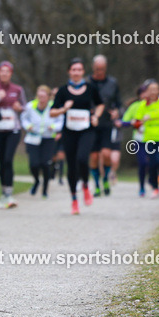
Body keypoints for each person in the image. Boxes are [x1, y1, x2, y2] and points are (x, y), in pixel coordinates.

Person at [50, 58, 104, 215]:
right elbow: (52, 112)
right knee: (71, 165)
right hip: (69, 132)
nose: (76, 72)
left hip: (86, 130)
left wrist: (96, 116)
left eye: (79, 70)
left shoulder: (90, 88)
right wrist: (63, 109)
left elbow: (100, 104)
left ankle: (86, 186)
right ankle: (74, 198)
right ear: (69, 71)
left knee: (82, 158)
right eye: (73, 69)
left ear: (83, 72)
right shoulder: (63, 90)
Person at [0, 61, 26, 208]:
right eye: (2, 71)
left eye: (7, 71)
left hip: (13, 130)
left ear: (11, 73)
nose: (4, 74)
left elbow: (25, 107)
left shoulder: (17, 89)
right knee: (1, 161)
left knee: (8, 160)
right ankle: (4, 192)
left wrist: (19, 108)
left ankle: (9, 194)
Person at [130, 80, 159, 198]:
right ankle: (155, 188)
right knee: (153, 164)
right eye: (151, 90)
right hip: (148, 138)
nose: (153, 92)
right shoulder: (142, 105)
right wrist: (141, 121)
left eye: (155, 89)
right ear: (147, 92)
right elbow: (136, 123)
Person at [21, 85, 63, 198]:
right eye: (39, 96)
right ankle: (36, 181)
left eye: (44, 96)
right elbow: (24, 118)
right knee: (34, 164)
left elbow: (60, 122)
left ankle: (45, 188)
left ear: (49, 97)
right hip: (33, 138)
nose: (41, 99)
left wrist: (54, 127)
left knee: (45, 163)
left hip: (48, 138)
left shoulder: (53, 107)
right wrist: (28, 126)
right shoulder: (30, 106)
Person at [89, 55, 122, 196]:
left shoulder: (113, 83)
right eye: (97, 69)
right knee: (94, 157)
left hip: (107, 124)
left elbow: (120, 105)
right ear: (93, 68)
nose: (99, 71)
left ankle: (106, 179)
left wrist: (117, 112)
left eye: (102, 69)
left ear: (106, 68)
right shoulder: (86, 83)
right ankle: (96, 185)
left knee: (106, 154)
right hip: (90, 125)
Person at [118, 82, 150, 196]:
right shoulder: (134, 106)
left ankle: (154, 182)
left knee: (154, 162)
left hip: (155, 138)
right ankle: (142, 186)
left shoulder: (156, 105)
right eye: (143, 93)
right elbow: (123, 121)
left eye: (148, 92)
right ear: (139, 94)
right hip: (139, 139)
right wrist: (131, 122)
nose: (145, 95)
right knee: (142, 162)